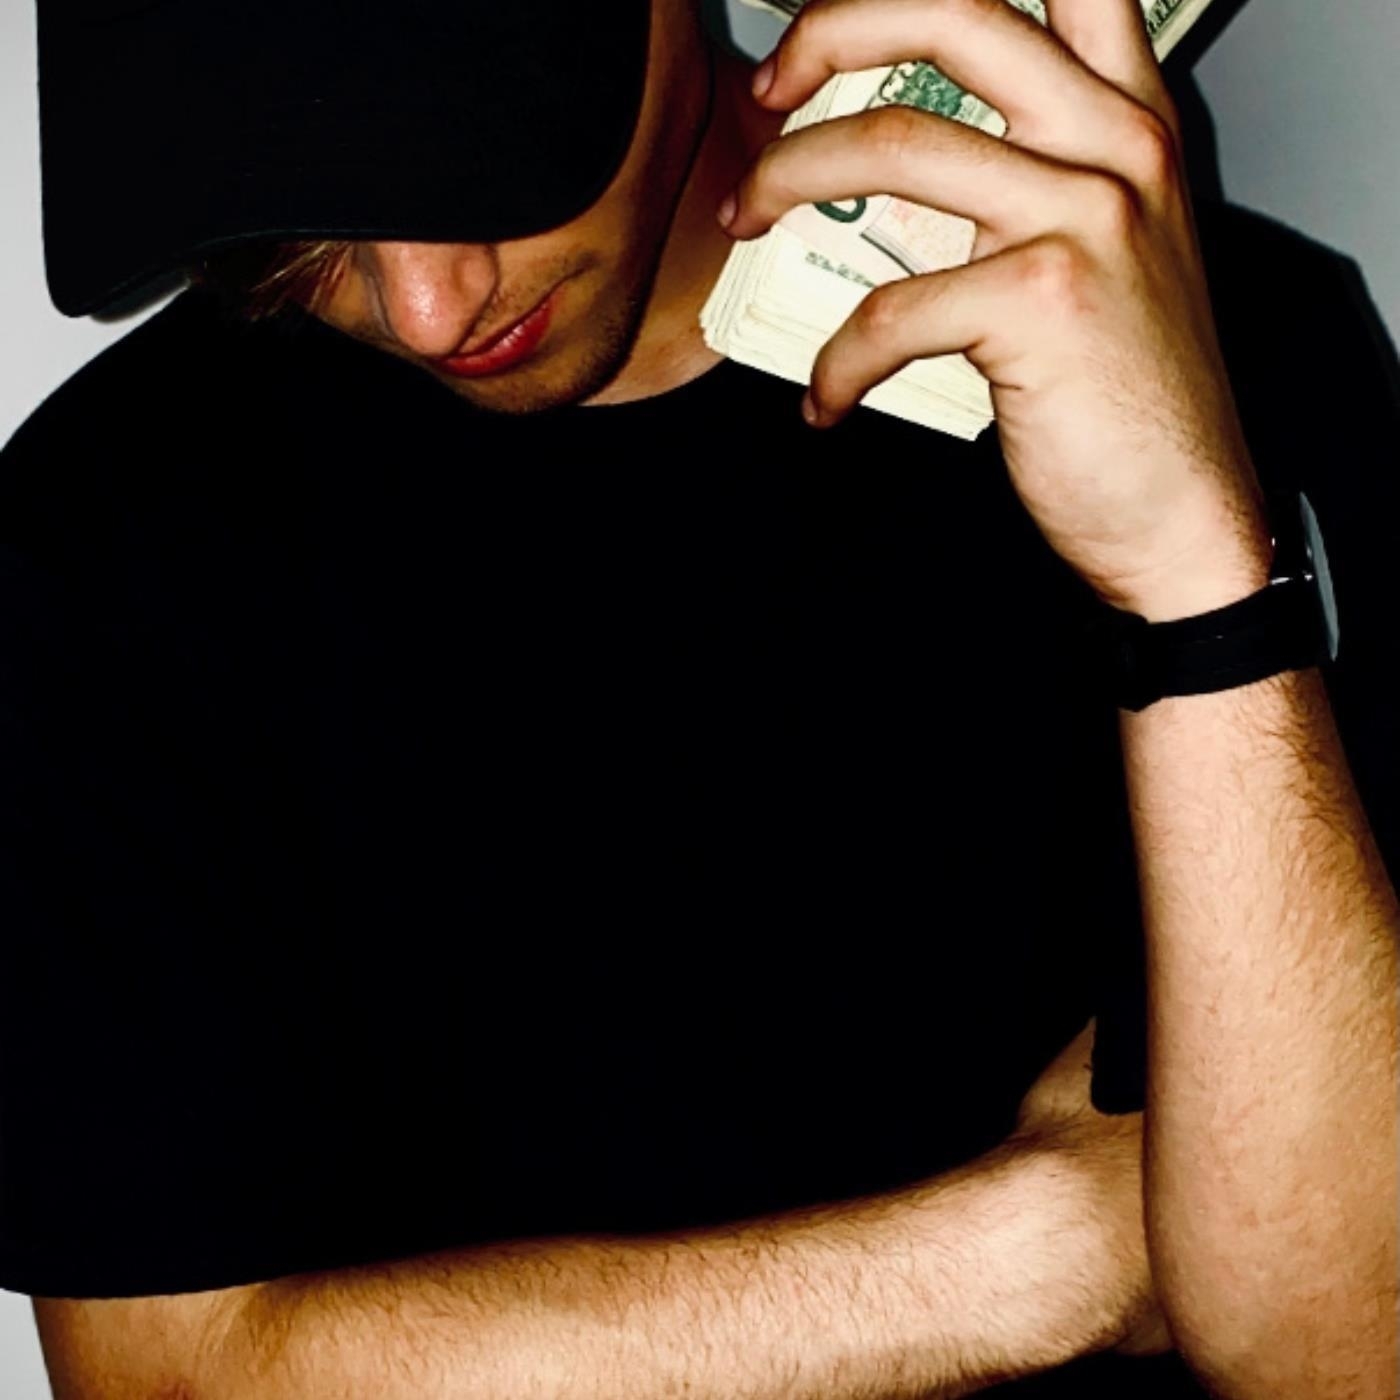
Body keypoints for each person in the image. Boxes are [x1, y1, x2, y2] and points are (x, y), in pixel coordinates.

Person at [2, 0, 1397, 1395]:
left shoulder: (1221, 354)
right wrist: (1047, 1246)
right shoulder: (109, 536)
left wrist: (1194, 574)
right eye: (296, 221)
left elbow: (1348, 1352)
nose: (429, 307)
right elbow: (161, 1377)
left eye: (478, 161)